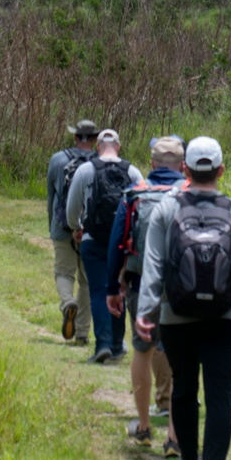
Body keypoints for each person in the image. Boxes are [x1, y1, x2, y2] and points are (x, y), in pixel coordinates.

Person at [136, 136, 231, 460]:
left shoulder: (166, 210)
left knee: (184, 390)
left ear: (185, 171)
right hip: (226, 318)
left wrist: (145, 311)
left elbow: (153, 264)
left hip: (177, 317)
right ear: (221, 171)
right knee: (221, 395)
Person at [106, 135, 186, 454]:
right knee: (180, 356)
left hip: (140, 284)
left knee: (142, 349)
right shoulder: (190, 195)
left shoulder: (134, 195)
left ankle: (142, 428)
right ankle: (175, 438)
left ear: (151, 164)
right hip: (182, 286)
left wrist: (113, 287)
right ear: (182, 165)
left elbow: (117, 244)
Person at [66, 128, 143, 363]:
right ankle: (118, 345)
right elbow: (143, 207)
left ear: (98, 146)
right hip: (122, 244)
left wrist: (76, 228)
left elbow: (72, 209)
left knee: (99, 291)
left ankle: (103, 345)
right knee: (119, 289)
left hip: (93, 240)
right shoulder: (132, 171)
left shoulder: (85, 170)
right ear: (118, 146)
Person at [46, 119, 99, 345]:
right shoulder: (100, 163)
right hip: (90, 229)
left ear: (76, 137)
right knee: (86, 281)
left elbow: (51, 197)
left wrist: (53, 226)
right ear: (95, 139)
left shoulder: (58, 160)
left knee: (63, 273)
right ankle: (82, 333)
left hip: (62, 225)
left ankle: (68, 302)